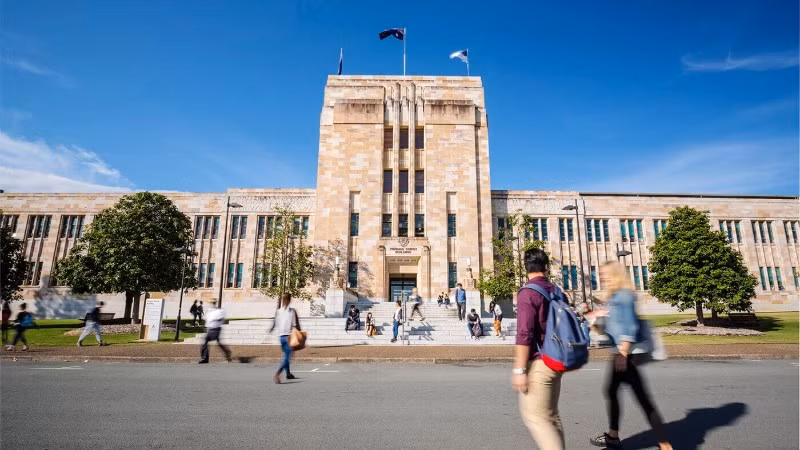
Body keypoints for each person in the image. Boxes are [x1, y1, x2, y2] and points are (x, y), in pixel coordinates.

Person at [589, 262, 672, 450]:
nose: (602, 277)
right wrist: (595, 321)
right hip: (621, 352)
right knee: (615, 392)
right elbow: (612, 328)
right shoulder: (614, 297)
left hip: (627, 353)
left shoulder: (624, 295)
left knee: (640, 398)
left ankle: (664, 445)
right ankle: (614, 435)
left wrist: (623, 353)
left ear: (615, 274)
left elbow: (629, 326)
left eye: (605, 274)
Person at [512, 248, 565, 450]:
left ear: (526, 267)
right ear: (546, 267)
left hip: (541, 362)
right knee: (550, 416)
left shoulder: (528, 293)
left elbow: (524, 333)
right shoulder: (556, 291)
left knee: (535, 417)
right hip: (558, 358)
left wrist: (519, 370)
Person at [270, 293, 301, 384]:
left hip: (281, 337)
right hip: (289, 336)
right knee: (288, 357)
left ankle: (288, 374)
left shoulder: (278, 311)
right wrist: (300, 334)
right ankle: (277, 374)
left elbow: (275, 323)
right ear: (289, 300)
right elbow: (296, 325)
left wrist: (271, 329)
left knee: (285, 355)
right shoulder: (292, 311)